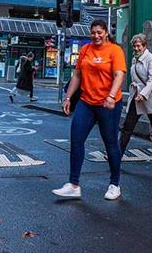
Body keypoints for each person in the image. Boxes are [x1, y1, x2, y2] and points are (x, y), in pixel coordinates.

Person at [53, 19, 126, 200]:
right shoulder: (85, 49)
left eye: (99, 32)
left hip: (108, 104)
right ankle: (73, 184)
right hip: (86, 102)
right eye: (93, 32)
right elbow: (77, 75)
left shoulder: (115, 50)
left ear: (106, 33)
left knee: (110, 144)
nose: (96, 36)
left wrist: (111, 96)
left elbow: (119, 75)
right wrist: (68, 97)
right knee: (76, 139)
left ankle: (115, 184)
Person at [118, 33, 152, 170]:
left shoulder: (151, 59)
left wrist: (143, 94)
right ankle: (117, 155)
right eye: (134, 46)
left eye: (138, 46)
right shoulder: (135, 59)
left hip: (150, 98)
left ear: (144, 46)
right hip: (137, 97)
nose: (136, 48)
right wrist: (138, 94)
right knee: (127, 127)